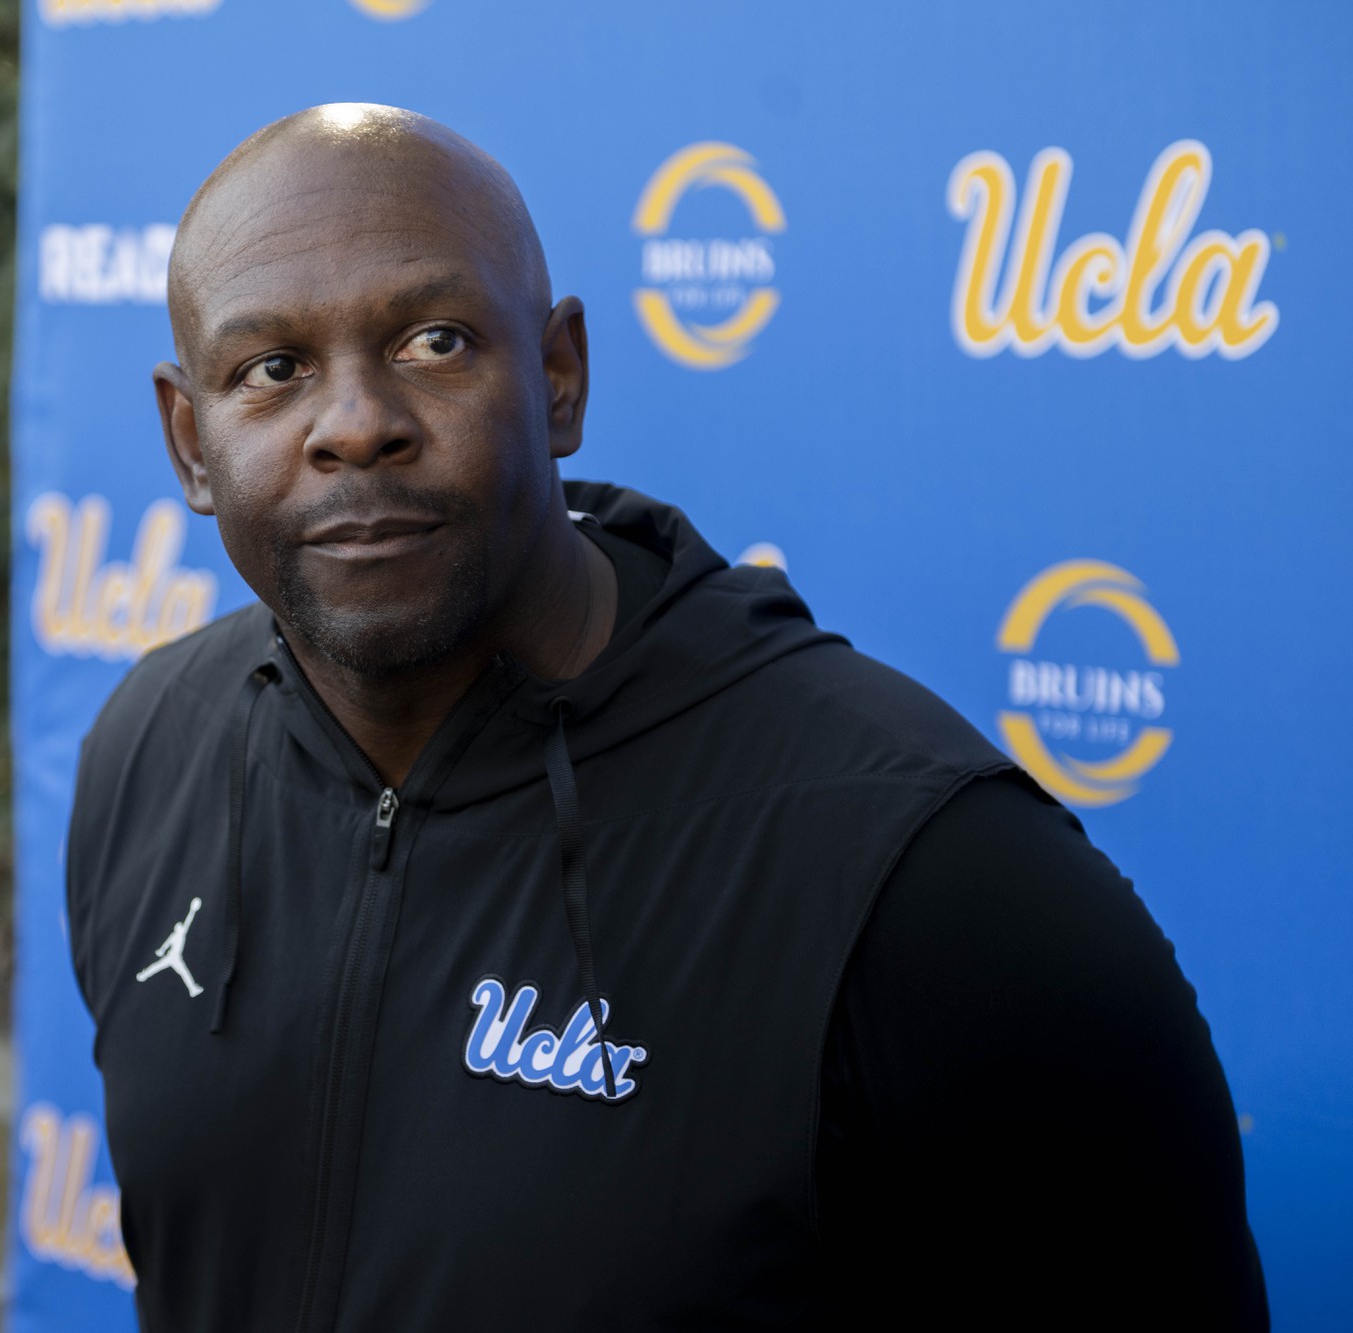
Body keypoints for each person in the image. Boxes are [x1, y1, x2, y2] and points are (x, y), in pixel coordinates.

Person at [64, 103, 1267, 1331]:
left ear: (559, 375)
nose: (355, 421)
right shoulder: (146, 748)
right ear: (189, 440)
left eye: (432, 341)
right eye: (271, 369)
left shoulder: (934, 877)